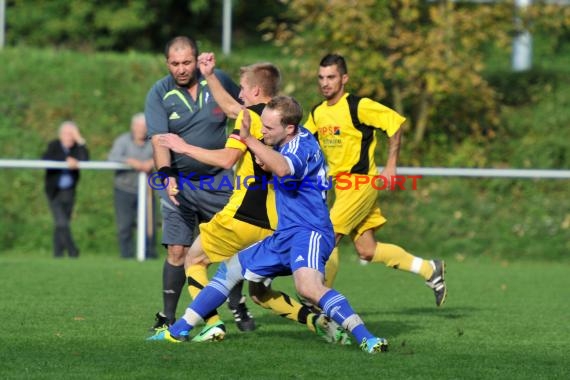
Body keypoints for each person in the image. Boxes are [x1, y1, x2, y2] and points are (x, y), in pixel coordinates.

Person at [149, 96, 387, 354]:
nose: (262, 132)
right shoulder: (287, 140)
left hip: (309, 232)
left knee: (307, 288)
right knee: (230, 271)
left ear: (290, 128)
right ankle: (178, 330)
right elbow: (275, 163)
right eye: (261, 126)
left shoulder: (301, 145)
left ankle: (367, 338)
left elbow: (284, 169)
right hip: (285, 234)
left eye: (268, 128)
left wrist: (247, 138)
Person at [156, 55, 349, 344]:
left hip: (244, 215)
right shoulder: (282, 123)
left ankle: (209, 323)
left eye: (243, 88)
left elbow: (227, 158)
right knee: (258, 292)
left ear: (256, 91)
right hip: (277, 223)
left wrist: (183, 147)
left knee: (194, 259)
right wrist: (209, 75)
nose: (240, 94)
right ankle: (315, 321)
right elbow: (231, 106)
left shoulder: (251, 120)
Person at [304, 54, 447, 306]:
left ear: (344, 79)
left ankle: (319, 298)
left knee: (327, 237)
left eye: (331, 77)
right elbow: (303, 142)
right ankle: (429, 269)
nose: (325, 82)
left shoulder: (358, 106)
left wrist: (391, 165)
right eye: (321, 77)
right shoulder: (317, 113)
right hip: (342, 187)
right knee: (367, 250)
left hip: (361, 183)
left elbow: (394, 124)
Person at [144, 36, 254, 332]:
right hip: (180, 184)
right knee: (177, 251)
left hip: (220, 181)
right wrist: (166, 176)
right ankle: (168, 317)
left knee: (228, 248)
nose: (181, 69)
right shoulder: (159, 93)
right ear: (167, 63)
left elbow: (246, 110)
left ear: (197, 59)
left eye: (186, 62)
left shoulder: (217, 79)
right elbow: (159, 140)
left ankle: (237, 304)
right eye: (174, 63)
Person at [108, 113, 157, 259]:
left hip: (147, 190)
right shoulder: (122, 141)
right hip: (124, 189)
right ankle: (126, 256)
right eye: (138, 126)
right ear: (132, 127)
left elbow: (164, 155)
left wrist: (152, 162)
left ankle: (149, 255)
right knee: (125, 225)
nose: (141, 130)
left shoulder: (153, 141)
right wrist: (129, 161)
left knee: (149, 225)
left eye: (144, 127)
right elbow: (112, 157)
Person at [42, 121, 89, 258]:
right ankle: (73, 251)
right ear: (60, 135)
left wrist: (80, 140)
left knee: (62, 224)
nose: (69, 137)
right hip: (54, 191)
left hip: (69, 190)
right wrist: (66, 160)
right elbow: (46, 158)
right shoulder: (54, 145)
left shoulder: (76, 148)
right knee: (61, 222)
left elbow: (85, 158)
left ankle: (58, 254)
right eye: (67, 134)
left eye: (72, 135)